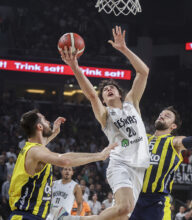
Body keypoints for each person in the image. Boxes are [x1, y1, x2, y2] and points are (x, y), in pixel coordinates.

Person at [60, 25, 150, 220]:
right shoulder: (106, 115)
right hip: (120, 164)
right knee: (125, 207)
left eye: (112, 88)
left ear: (120, 93)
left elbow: (143, 72)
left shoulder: (132, 103)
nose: (108, 89)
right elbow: (91, 95)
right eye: (105, 90)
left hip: (139, 167)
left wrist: (124, 49)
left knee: (121, 215)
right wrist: (75, 67)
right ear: (103, 99)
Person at [8, 109, 116, 220]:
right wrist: (99, 156)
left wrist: (54, 132)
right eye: (45, 120)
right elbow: (65, 161)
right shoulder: (35, 151)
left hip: (33, 215)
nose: (49, 122)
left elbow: (42, 144)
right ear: (39, 127)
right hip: (26, 216)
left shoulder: (31, 149)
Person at [130, 98, 192, 220]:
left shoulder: (174, 142)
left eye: (167, 116)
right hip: (133, 197)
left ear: (173, 126)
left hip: (156, 201)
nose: (162, 116)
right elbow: (124, 140)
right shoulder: (144, 138)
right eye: (161, 114)